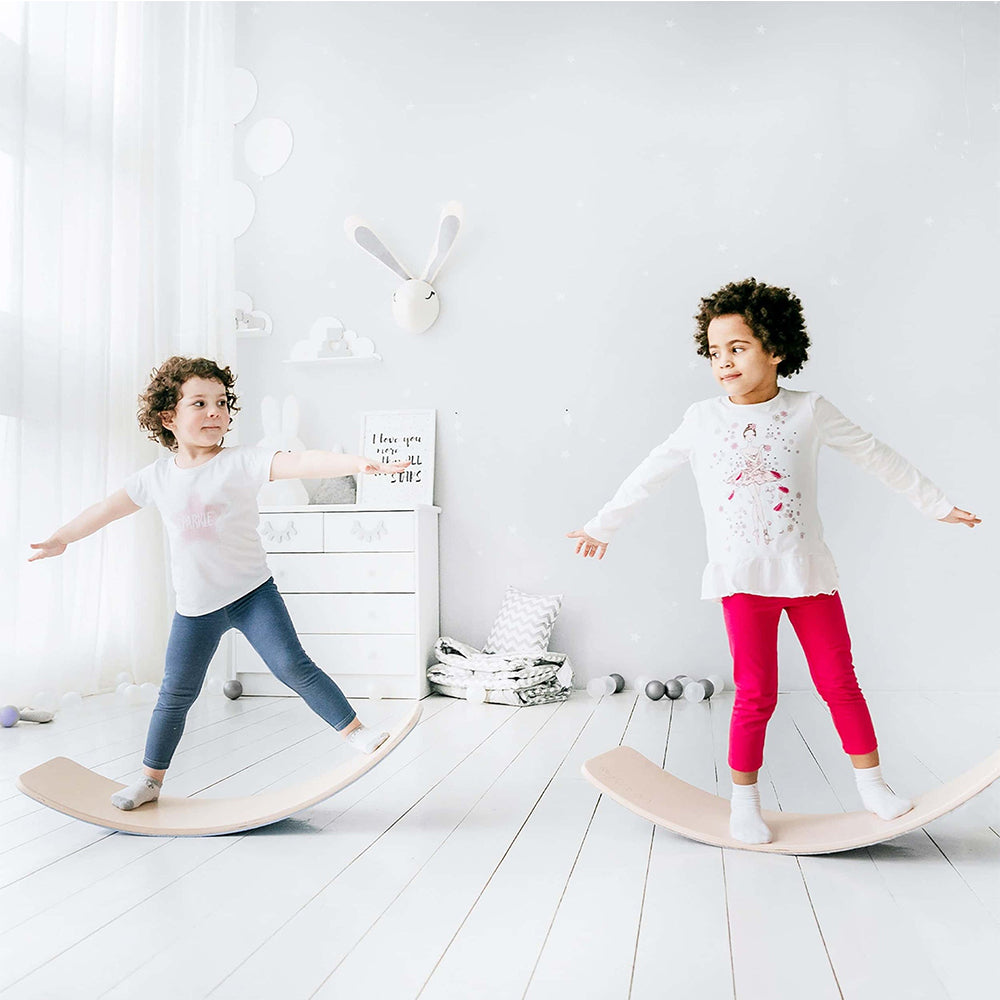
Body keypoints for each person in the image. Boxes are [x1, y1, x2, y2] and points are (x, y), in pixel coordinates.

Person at [567, 278, 981, 845]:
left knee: (840, 681)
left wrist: (935, 504)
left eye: (738, 348)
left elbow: (874, 454)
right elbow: (650, 471)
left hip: (806, 572)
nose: (724, 362)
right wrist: (601, 525)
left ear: (776, 349)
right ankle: (745, 801)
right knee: (756, 691)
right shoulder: (702, 419)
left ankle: (873, 785)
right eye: (716, 353)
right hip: (742, 578)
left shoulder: (810, 410)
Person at [29, 356, 410, 812]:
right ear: (168, 417)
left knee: (293, 666)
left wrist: (358, 463)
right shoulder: (155, 478)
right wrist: (61, 538)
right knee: (175, 695)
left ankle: (356, 732)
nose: (216, 412)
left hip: (253, 595)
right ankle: (150, 781)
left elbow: (303, 461)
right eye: (200, 403)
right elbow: (104, 509)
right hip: (196, 609)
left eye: (223, 402)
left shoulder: (242, 462)